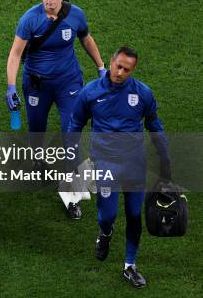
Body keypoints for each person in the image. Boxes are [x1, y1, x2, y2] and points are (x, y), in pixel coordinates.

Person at [68, 47, 172, 288]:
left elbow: (155, 125)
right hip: (105, 163)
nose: (120, 72)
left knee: (135, 215)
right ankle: (105, 234)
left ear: (132, 70)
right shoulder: (91, 92)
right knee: (108, 215)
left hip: (135, 164)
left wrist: (165, 160)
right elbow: (75, 123)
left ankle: (129, 266)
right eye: (118, 66)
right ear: (112, 62)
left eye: (126, 69)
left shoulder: (143, 93)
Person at [5, 0, 106, 219]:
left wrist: (101, 66)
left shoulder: (76, 15)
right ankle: (38, 159)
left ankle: (73, 198)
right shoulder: (29, 19)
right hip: (37, 84)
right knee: (37, 129)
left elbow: (86, 38)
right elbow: (16, 54)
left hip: (68, 83)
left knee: (71, 136)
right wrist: (11, 86)